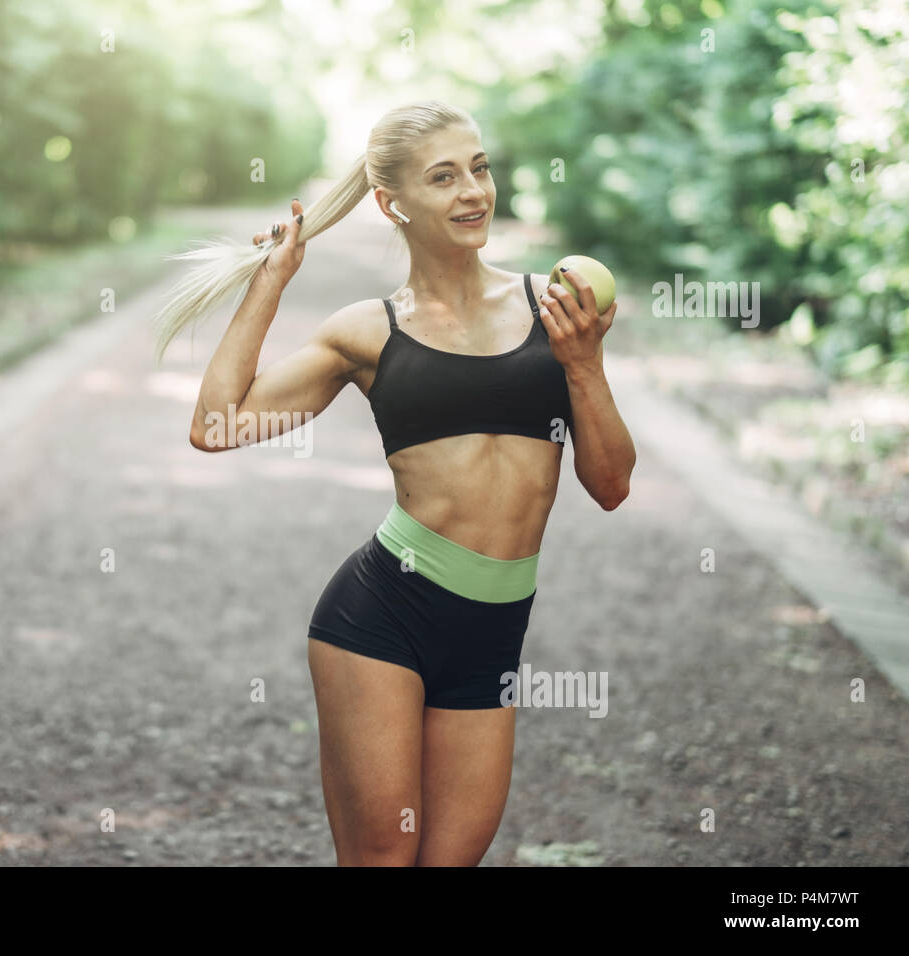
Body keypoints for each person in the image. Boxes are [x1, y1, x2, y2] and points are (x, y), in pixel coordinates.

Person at [154, 99, 636, 866]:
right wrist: (269, 285)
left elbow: (610, 485)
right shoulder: (368, 330)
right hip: (381, 619)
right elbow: (216, 426)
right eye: (443, 177)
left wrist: (583, 365)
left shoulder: (554, 308)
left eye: (479, 168)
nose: (473, 191)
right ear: (393, 204)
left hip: (494, 631)